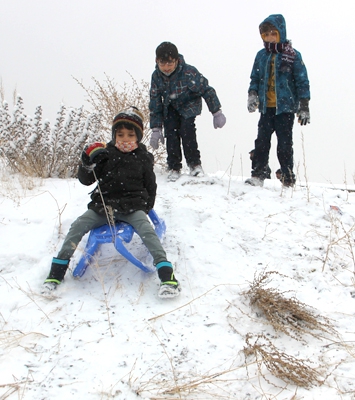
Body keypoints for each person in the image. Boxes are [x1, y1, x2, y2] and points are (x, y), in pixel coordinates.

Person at [43, 107, 181, 299]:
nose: (125, 138)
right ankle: (56, 274)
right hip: (104, 206)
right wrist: (87, 161)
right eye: (120, 134)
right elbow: (86, 179)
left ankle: (167, 277)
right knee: (78, 226)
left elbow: (151, 186)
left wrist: (145, 208)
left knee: (147, 232)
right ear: (114, 134)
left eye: (130, 134)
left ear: (138, 137)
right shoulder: (105, 154)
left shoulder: (143, 157)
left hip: (132, 206)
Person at [245, 14, 310, 188]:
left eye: (273, 33)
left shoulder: (293, 55)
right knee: (262, 141)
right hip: (266, 108)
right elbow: (255, 78)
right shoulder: (261, 56)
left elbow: (302, 81)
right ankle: (259, 172)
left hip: (285, 108)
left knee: (284, 144)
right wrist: (253, 94)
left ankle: (287, 176)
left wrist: (303, 105)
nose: (269, 38)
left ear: (281, 32)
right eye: (265, 35)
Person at [149, 41, 226, 182]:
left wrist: (216, 112)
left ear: (177, 60)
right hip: (170, 107)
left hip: (189, 105)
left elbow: (207, 90)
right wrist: (156, 128)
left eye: (170, 63)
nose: (166, 67)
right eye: (162, 63)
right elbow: (155, 102)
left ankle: (194, 165)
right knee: (171, 133)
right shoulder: (156, 76)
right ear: (156, 61)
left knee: (187, 131)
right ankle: (174, 167)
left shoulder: (189, 72)